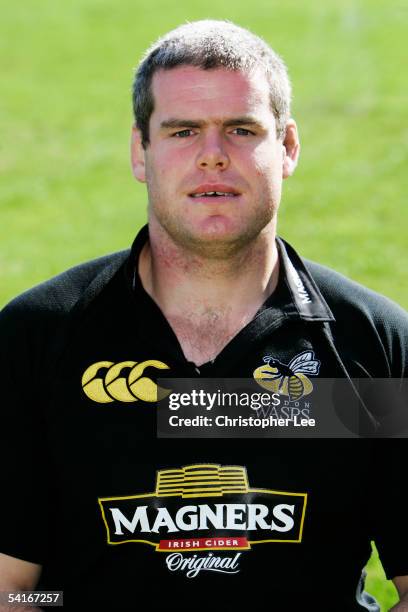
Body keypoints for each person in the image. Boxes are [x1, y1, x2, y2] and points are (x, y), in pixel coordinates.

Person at [0, 20, 407, 612]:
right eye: (183, 131)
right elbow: (14, 590)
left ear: (287, 147)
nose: (212, 156)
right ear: (142, 152)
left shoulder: (376, 345)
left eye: (241, 130)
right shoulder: (36, 338)